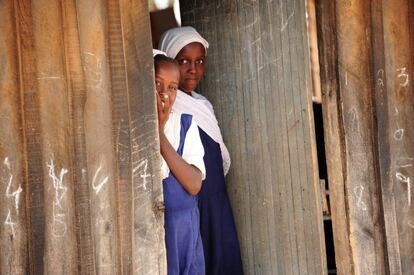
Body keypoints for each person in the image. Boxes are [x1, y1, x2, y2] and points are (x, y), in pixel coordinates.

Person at [159, 27, 244, 275]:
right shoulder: (167, 109)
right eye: (183, 61)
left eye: (199, 61)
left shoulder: (203, 105)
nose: (192, 69)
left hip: (216, 201)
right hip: (190, 205)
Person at [154, 50, 206, 275]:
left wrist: (159, 133)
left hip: (184, 237)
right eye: (157, 84)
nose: (164, 93)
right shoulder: (130, 131)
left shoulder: (185, 125)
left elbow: (194, 184)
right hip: (153, 239)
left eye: (172, 87)